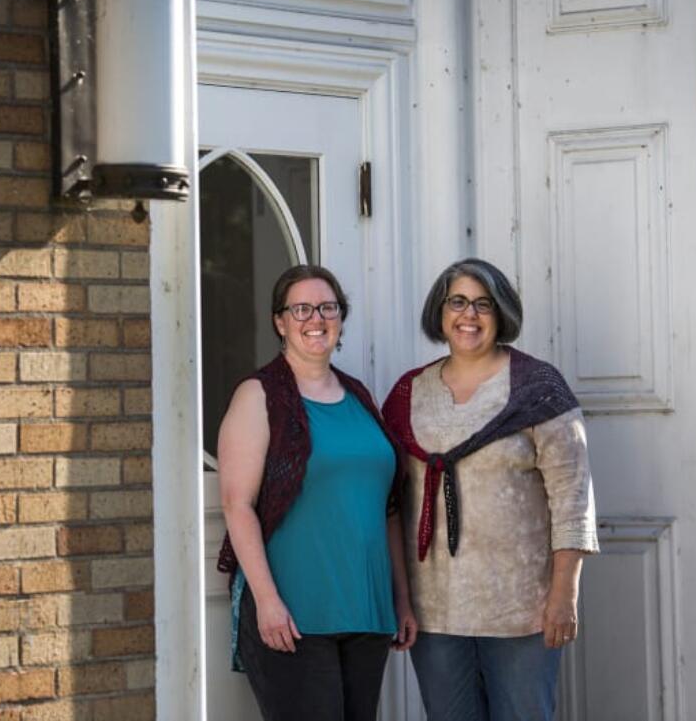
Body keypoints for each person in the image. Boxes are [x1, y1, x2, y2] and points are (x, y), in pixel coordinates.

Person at [381, 258, 599, 721]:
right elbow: (391, 503)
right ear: (440, 313)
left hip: (522, 610)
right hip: (435, 610)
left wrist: (565, 595)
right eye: (457, 302)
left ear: (501, 314)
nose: (469, 315)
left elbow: (572, 500)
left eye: (483, 304)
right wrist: (400, 598)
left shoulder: (537, 388)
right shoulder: (409, 393)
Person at [216, 264, 418, 721]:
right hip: (294, 615)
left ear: (341, 318)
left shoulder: (359, 395)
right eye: (301, 308)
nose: (316, 318)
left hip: (366, 612)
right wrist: (267, 602)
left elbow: (387, 508)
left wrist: (401, 599)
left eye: (328, 307)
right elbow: (238, 504)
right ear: (280, 321)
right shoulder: (259, 395)